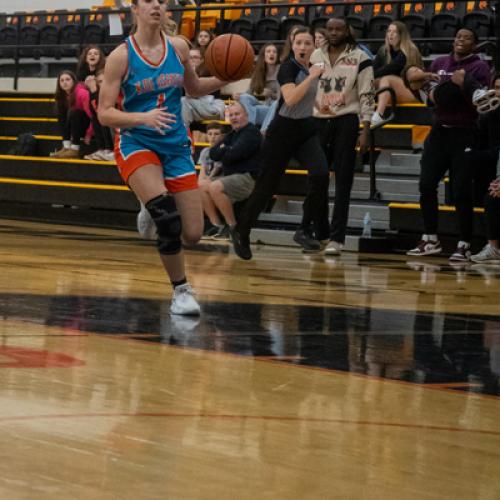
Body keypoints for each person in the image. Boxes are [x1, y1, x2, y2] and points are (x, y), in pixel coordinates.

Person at [98, 0, 228, 316]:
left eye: (161, 1)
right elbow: (104, 113)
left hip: (175, 146)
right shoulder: (121, 57)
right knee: (168, 220)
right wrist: (143, 118)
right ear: (135, 10)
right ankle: (181, 290)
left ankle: (150, 201)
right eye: (149, 1)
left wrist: (227, 75)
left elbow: (194, 88)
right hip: (137, 142)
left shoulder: (180, 47)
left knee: (193, 234)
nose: (157, 5)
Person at [231, 27, 330, 260]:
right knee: (266, 187)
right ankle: (241, 230)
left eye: (308, 43)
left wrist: (322, 105)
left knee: (321, 174)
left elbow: (307, 99)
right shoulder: (288, 67)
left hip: (305, 129)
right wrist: (314, 77)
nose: (304, 47)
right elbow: (292, 98)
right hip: (282, 132)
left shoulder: (312, 68)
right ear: (293, 46)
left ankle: (304, 229)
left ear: (314, 46)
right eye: (299, 43)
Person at [406, 28, 491, 261]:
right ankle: (430, 238)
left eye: (466, 37)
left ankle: (464, 242)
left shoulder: (479, 67)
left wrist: (454, 87)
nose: (460, 40)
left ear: (475, 45)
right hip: (439, 130)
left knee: (461, 191)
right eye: (457, 36)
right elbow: (420, 86)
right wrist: (427, 82)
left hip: (465, 132)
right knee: (426, 184)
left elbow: (478, 105)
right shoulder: (440, 63)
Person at [301, 17, 374, 256]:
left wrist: (365, 128)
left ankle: (337, 239)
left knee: (343, 181)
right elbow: (309, 89)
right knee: (317, 178)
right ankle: (321, 233)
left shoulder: (361, 58)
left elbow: (366, 94)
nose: (333, 32)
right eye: (329, 29)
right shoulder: (315, 56)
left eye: (338, 29)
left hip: (346, 121)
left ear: (347, 31)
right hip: (317, 121)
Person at [202, 102, 262, 239]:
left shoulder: (251, 133)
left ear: (246, 115)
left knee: (215, 187)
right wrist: (226, 150)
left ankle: (233, 227)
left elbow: (233, 155)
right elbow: (213, 153)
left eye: (237, 114)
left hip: (248, 178)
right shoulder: (232, 134)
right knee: (200, 186)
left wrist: (225, 150)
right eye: (231, 115)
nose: (234, 117)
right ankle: (217, 225)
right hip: (230, 177)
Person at [471, 74, 500, 263]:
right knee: (491, 197)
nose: (498, 92)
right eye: (496, 87)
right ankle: (494, 248)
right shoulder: (491, 114)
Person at [371, 21, 422, 126]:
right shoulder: (383, 50)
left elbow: (392, 68)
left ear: (401, 35)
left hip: (410, 93)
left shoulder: (410, 50)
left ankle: (379, 115)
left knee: (387, 79)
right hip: (390, 94)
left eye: (395, 32)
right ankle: (357, 111)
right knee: (366, 80)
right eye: (389, 31)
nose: (391, 34)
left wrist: (373, 75)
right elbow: (372, 71)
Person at [235, 43, 280, 133]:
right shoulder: (259, 72)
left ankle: (264, 131)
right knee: (244, 97)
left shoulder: (281, 70)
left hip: (277, 110)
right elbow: (248, 93)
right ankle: (250, 128)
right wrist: (239, 96)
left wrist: (271, 94)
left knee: (276, 103)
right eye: (268, 51)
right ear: (263, 55)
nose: (271, 54)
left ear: (277, 56)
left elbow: (282, 99)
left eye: (274, 52)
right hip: (265, 108)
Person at [51, 70, 93, 159]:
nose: (64, 82)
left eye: (67, 79)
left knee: (74, 112)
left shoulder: (82, 93)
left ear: (74, 81)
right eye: (62, 80)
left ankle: (75, 148)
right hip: (75, 127)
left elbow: (93, 116)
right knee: (60, 110)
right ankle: (66, 146)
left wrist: (89, 133)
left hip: (88, 126)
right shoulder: (62, 96)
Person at [181, 47, 225, 127]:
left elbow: (194, 93)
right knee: (182, 103)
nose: (192, 60)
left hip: (211, 105)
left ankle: (183, 132)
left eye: (195, 57)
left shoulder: (211, 71)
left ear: (202, 59)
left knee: (183, 101)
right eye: (189, 57)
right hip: (192, 108)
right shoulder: (182, 73)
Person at [197, 122, 224, 237]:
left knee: (201, 187)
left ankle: (216, 223)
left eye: (216, 134)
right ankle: (210, 224)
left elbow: (217, 169)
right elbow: (202, 170)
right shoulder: (204, 151)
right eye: (210, 134)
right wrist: (200, 181)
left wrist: (205, 181)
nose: (213, 137)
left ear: (222, 136)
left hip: (219, 179)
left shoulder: (222, 149)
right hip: (208, 180)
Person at [84, 69, 115, 161]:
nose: (103, 84)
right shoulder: (96, 94)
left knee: (105, 117)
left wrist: (94, 91)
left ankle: (111, 150)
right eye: (100, 82)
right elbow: (95, 111)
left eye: (105, 81)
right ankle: (103, 149)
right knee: (96, 118)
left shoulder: (115, 91)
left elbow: (102, 110)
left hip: (121, 125)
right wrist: (94, 92)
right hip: (107, 123)